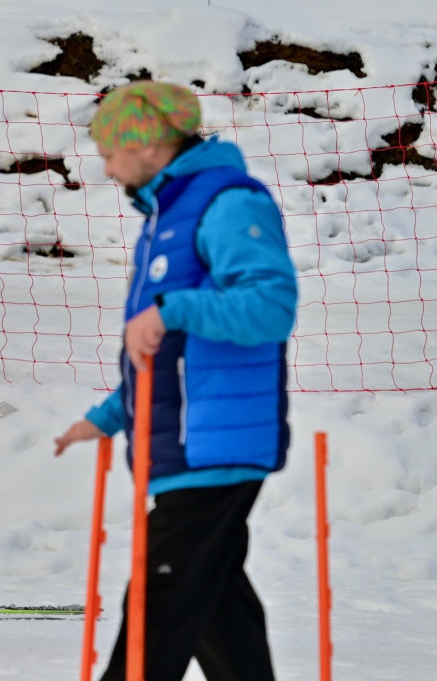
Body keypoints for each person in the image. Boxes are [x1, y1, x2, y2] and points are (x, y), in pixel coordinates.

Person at [54, 81, 297, 681]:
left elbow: (271, 305)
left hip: (217, 443)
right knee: (216, 609)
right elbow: (164, 353)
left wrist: (173, 309)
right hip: (190, 442)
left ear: (150, 145)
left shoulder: (227, 203)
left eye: (112, 152)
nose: (107, 168)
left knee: (157, 607)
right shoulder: (169, 214)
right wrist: (107, 416)